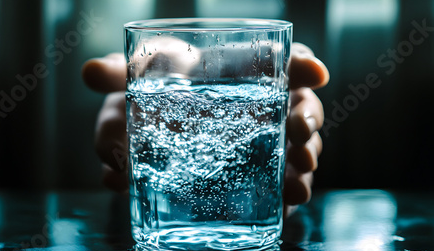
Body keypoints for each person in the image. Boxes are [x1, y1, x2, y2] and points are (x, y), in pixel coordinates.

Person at [82, 42, 329, 217]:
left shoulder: (274, 68)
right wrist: (160, 65)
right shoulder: (148, 63)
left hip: (251, 236)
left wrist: (277, 61)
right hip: (163, 237)